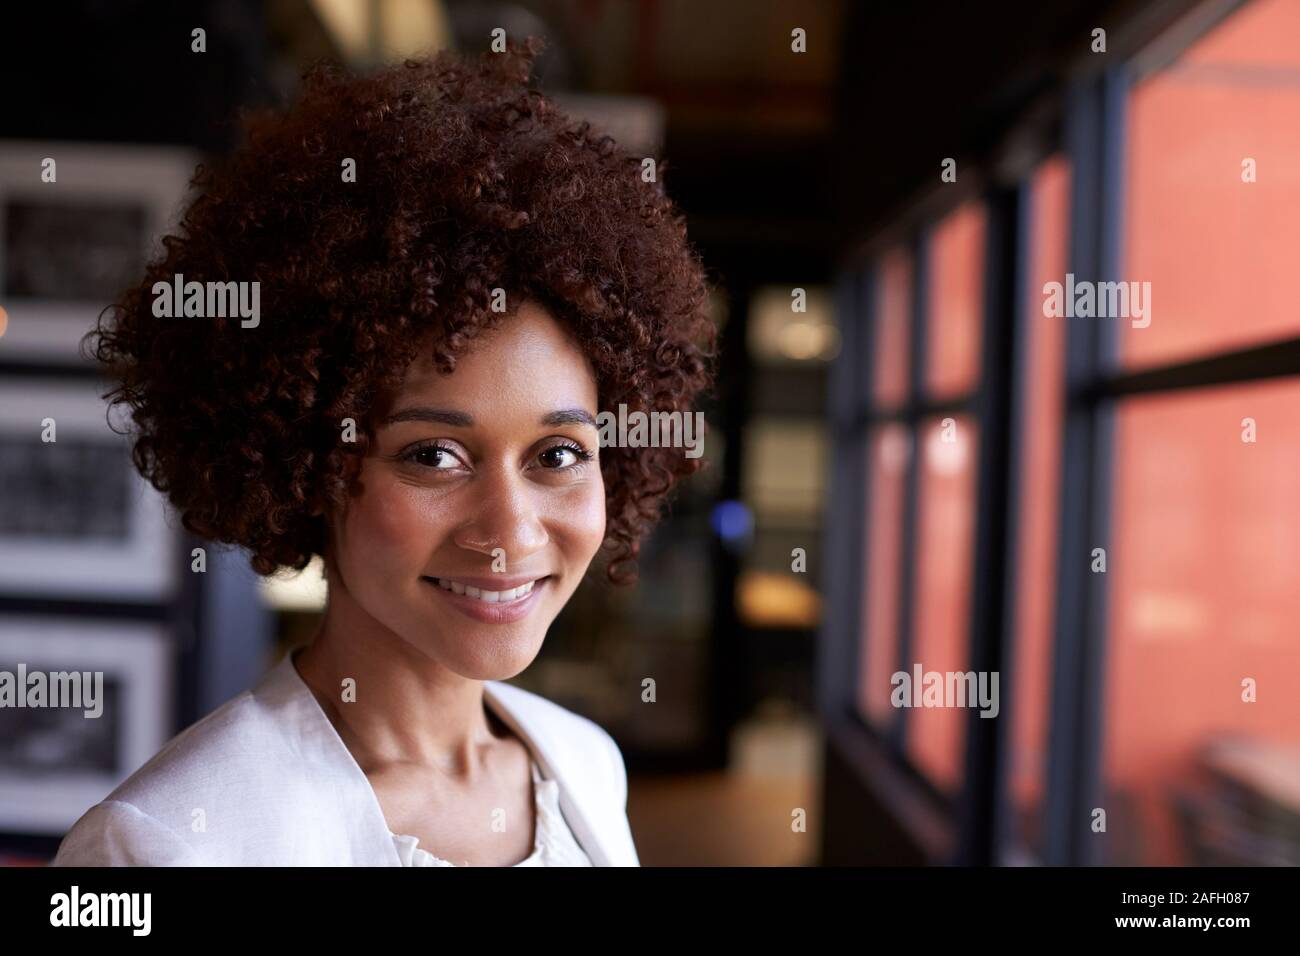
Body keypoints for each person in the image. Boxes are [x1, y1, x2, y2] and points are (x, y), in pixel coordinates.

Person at [52, 37, 715, 866]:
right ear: (307, 467)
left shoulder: (584, 763)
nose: (509, 530)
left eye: (557, 453)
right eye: (434, 456)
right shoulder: (165, 843)